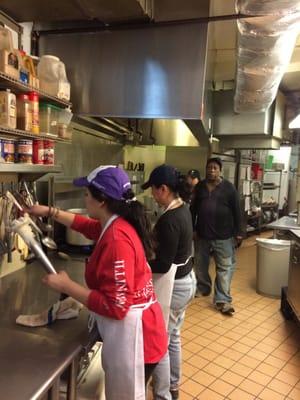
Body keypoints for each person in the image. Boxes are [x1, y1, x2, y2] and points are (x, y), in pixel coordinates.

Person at [27, 165, 168, 400]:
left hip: (138, 340)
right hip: (141, 332)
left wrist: (67, 286)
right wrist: (49, 211)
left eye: (87, 194)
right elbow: (87, 226)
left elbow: (116, 307)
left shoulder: (117, 240)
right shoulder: (116, 221)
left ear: (101, 200)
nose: (84, 199)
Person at [142, 164, 196, 400]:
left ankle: (163, 395)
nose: (152, 196)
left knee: (160, 341)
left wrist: (139, 265)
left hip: (176, 287)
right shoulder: (183, 208)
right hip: (187, 280)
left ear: (163, 189)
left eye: (153, 190)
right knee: (173, 337)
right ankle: (173, 386)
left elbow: (163, 264)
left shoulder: (170, 219)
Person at [191, 157, 242, 315]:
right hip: (202, 235)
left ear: (220, 170)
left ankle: (222, 299)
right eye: (209, 168)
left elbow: (237, 210)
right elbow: (193, 209)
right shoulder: (200, 187)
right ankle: (203, 288)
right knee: (200, 265)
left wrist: (239, 232)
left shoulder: (229, 188)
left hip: (224, 236)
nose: (212, 170)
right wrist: (192, 228)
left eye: (215, 168)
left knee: (224, 268)